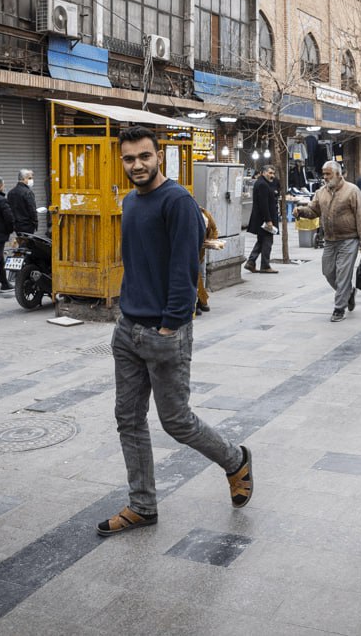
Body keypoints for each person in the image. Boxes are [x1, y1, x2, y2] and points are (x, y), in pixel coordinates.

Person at [98, 126, 251, 536]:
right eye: (129, 159)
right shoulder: (130, 201)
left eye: (144, 156)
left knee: (176, 420)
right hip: (128, 328)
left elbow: (185, 269)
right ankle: (142, 505)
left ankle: (235, 460)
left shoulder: (178, 202)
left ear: (159, 155)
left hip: (165, 331)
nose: (137, 165)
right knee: (127, 419)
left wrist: (170, 326)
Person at [293, 160, 361, 322]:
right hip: (329, 240)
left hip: (349, 239)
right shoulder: (321, 192)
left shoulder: (352, 191)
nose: (325, 177)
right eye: (324, 174)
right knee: (328, 272)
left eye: (328, 174)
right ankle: (349, 293)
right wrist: (300, 211)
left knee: (343, 273)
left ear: (338, 174)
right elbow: (313, 210)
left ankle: (339, 308)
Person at [245, 165, 280, 274]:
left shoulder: (264, 183)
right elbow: (263, 204)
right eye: (269, 173)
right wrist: (268, 220)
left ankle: (251, 262)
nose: (272, 176)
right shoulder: (262, 185)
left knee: (261, 241)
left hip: (262, 218)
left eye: (273, 173)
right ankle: (265, 265)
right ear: (263, 173)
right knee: (268, 241)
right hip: (263, 219)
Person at [197, 205, 222, 315]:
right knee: (195, 277)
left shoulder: (206, 215)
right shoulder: (190, 216)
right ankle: (198, 302)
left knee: (202, 275)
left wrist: (212, 241)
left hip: (201, 250)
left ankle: (201, 301)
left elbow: (214, 229)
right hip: (191, 250)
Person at [7, 169, 38, 235]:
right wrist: (35, 222)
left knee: (21, 242)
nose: (31, 180)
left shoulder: (11, 192)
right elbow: (32, 209)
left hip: (16, 225)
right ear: (24, 179)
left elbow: (9, 209)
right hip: (27, 225)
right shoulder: (28, 192)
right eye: (30, 178)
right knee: (27, 243)